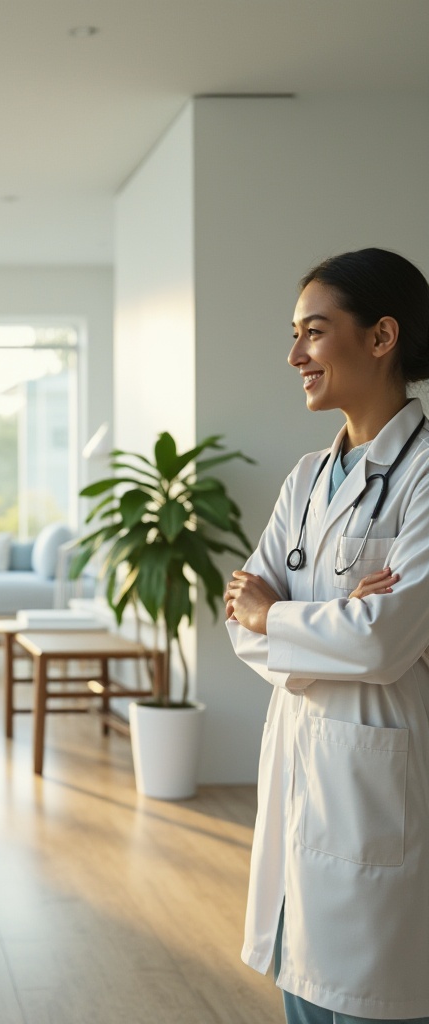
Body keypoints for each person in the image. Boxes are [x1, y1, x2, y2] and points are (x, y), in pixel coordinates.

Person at [224, 247, 429, 1024]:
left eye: (314, 332)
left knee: (373, 996)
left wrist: (279, 617)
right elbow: (237, 614)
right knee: (302, 984)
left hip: (379, 771)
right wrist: (337, 621)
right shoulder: (307, 478)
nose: (294, 355)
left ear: (382, 337)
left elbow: (382, 639)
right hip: (301, 760)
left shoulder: (425, 473)